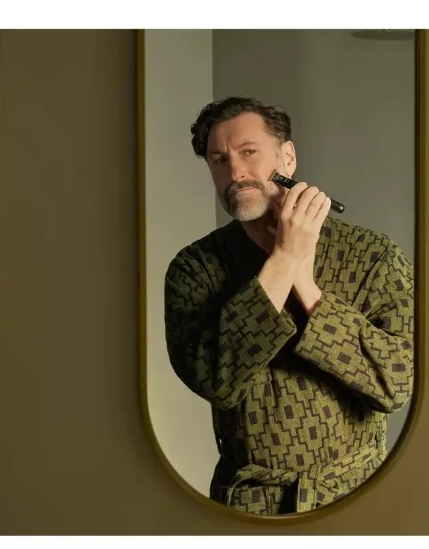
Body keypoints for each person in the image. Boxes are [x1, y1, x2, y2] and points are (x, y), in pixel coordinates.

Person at [164, 96, 415, 515]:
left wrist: (303, 280)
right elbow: (216, 380)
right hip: (247, 509)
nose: (235, 173)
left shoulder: (374, 256)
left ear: (288, 158)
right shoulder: (194, 268)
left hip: (357, 500)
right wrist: (284, 259)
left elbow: (396, 383)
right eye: (219, 160)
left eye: (249, 152)